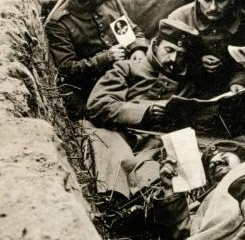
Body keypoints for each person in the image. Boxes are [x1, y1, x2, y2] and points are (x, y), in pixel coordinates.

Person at [84, 19, 199, 197]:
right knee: (116, 158)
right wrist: (145, 111)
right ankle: (115, 201)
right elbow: (98, 104)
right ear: (155, 45)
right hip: (117, 135)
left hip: (153, 145)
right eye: (169, 51)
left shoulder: (186, 85)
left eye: (181, 55)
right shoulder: (127, 69)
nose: (174, 59)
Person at [45, 0, 148, 120]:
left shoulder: (110, 5)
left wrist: (138, 49)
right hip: (91, 90)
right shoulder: (60, 23)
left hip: (124, 78)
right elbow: (66, 69)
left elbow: (128, 35)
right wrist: (105, 58)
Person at [168, 0, 245, 98]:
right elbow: (164, 60)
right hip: (188, 89)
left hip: (229, 90)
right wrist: (196, 63)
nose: (213, 7)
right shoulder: (178, 18)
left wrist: (239, 83)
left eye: (221, 0)